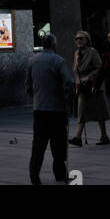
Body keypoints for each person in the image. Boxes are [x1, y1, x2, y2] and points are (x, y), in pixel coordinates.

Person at [26, 34, 75, 183]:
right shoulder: (58, 60)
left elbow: (28, 85)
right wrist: (67, 101)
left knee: (38, 145)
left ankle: (34, 175)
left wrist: (37, 97)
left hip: (40, 109)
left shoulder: (32, 60)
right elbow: (69, 82)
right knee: (59, 144)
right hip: (57, 109)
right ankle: (60, 174)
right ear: (54, 44)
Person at [70, 29, 109, 146]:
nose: (78, 40)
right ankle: (78, 137)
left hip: (93, 86)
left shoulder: (92, 52)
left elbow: (99, 67)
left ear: (87, 40)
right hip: (82, 87)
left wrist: (88, 77)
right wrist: (77, 82)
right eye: (76, 38)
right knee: (81, 111)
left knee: (99, 112)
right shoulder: (76, 53)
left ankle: (104, 136)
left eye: (81, 38)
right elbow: (75, 70)